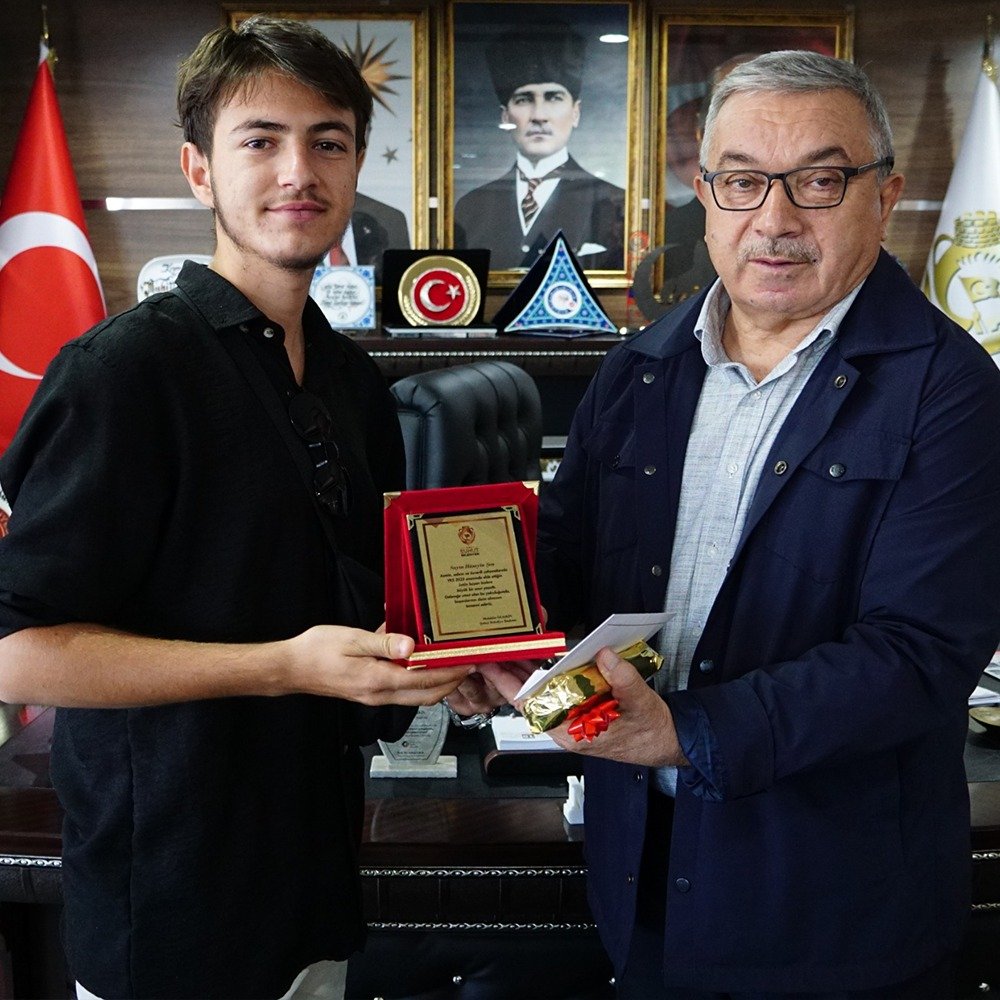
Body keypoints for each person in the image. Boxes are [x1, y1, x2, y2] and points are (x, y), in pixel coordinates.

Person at [482, 50, 1000, 998]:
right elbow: (563, 559)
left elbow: (921, 655)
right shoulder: (639, 369)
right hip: (640, 881)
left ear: (884, 197)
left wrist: (685, 732)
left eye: (819, 181)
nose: (775, 218)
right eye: (743, 180)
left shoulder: (952, 392)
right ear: (706, 195)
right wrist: (487, 647)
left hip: (834, 914)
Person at [0, 16, 478, 1000]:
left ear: (355, 169)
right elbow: (18, 651)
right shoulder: (123, 373)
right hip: (171, 909)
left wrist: (439, 665)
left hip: (315, 884)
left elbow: (345, 599)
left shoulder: (352, 379)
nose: (298, 172)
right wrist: (281, 666)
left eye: (328, 142)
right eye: (260, 140)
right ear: (199, 171)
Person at [453, 24, 625, 271]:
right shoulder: (471, 206)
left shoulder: (611, 200)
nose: (539, 115)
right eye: (524, 99)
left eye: (553, 98)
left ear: (575, 112)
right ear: (505, 116)